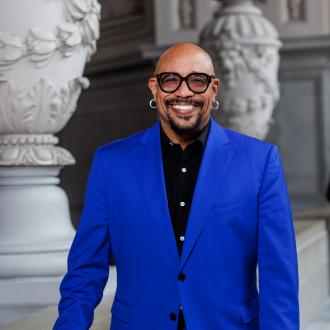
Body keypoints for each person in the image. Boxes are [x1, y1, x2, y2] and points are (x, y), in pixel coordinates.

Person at [53, 43, 299, 330]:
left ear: (213, 89)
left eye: (197, 81)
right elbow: (85, 271)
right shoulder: (112, 163)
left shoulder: (260, 161)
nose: (184, 92)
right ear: (154, 88)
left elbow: (279, 276)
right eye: (171, 80)